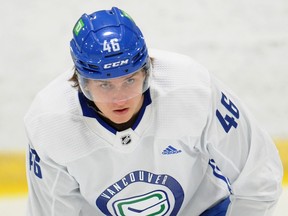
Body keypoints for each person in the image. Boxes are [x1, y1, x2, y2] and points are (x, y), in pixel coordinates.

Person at [24, 6, 283, 216]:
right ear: (82, 82)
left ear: (147, 71)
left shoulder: (191, 89)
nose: (120, 98)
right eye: (104, 84)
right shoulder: (50, 122)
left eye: (130, 80)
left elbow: (257, 175)